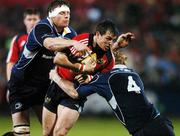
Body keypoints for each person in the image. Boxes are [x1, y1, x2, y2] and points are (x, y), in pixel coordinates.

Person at [7, 0, 88, 135]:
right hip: (22, 83)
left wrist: (81, 70)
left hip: (44, 85)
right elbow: (50, 44)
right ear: (51, 14)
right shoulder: (41, 27)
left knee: (50, 132)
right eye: (62, 13)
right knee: (22, 132)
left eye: (68, 13)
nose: (66, 16)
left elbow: (69, 58)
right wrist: (72, 43)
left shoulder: (70, 33)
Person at [43, 19, 134, 136]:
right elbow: (58, 59)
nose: (110, 43)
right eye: (108, 38)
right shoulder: (82, 41)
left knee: (59, 133)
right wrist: (81, 68)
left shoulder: (109, 60)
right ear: (97, 34)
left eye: (113, 40)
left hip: (75, 93)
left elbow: (100, 80)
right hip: (56, 86)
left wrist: (89, 79)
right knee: (46, 133)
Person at [50, 52, 175, 136]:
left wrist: (56, 77)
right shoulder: (134, 74)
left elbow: (74, 94)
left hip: (144, 131)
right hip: (162, 122)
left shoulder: (105, 77)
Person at [6, 8, 41, 102]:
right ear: (24, 21)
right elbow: (11, 63)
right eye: (29, 19)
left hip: (41, 85)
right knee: (21, 115)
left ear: (40, 21)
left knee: (44, 116)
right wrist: (11, 85)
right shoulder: (18, 39)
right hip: (21, 85)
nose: (32, 22)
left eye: (35, 19)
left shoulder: (46, 39)